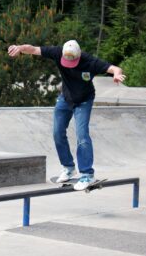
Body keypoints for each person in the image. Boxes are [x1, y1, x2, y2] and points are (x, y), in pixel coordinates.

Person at [8, 40, 126, 190]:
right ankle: (69, 168)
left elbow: (115, 68)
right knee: (57, 133)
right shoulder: (58, 52)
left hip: (84, 101)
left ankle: (87, 175)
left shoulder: (90, 61)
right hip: (65, 98)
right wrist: (19, 48)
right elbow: (33, 49)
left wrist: (116, 75)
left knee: (82, 135)